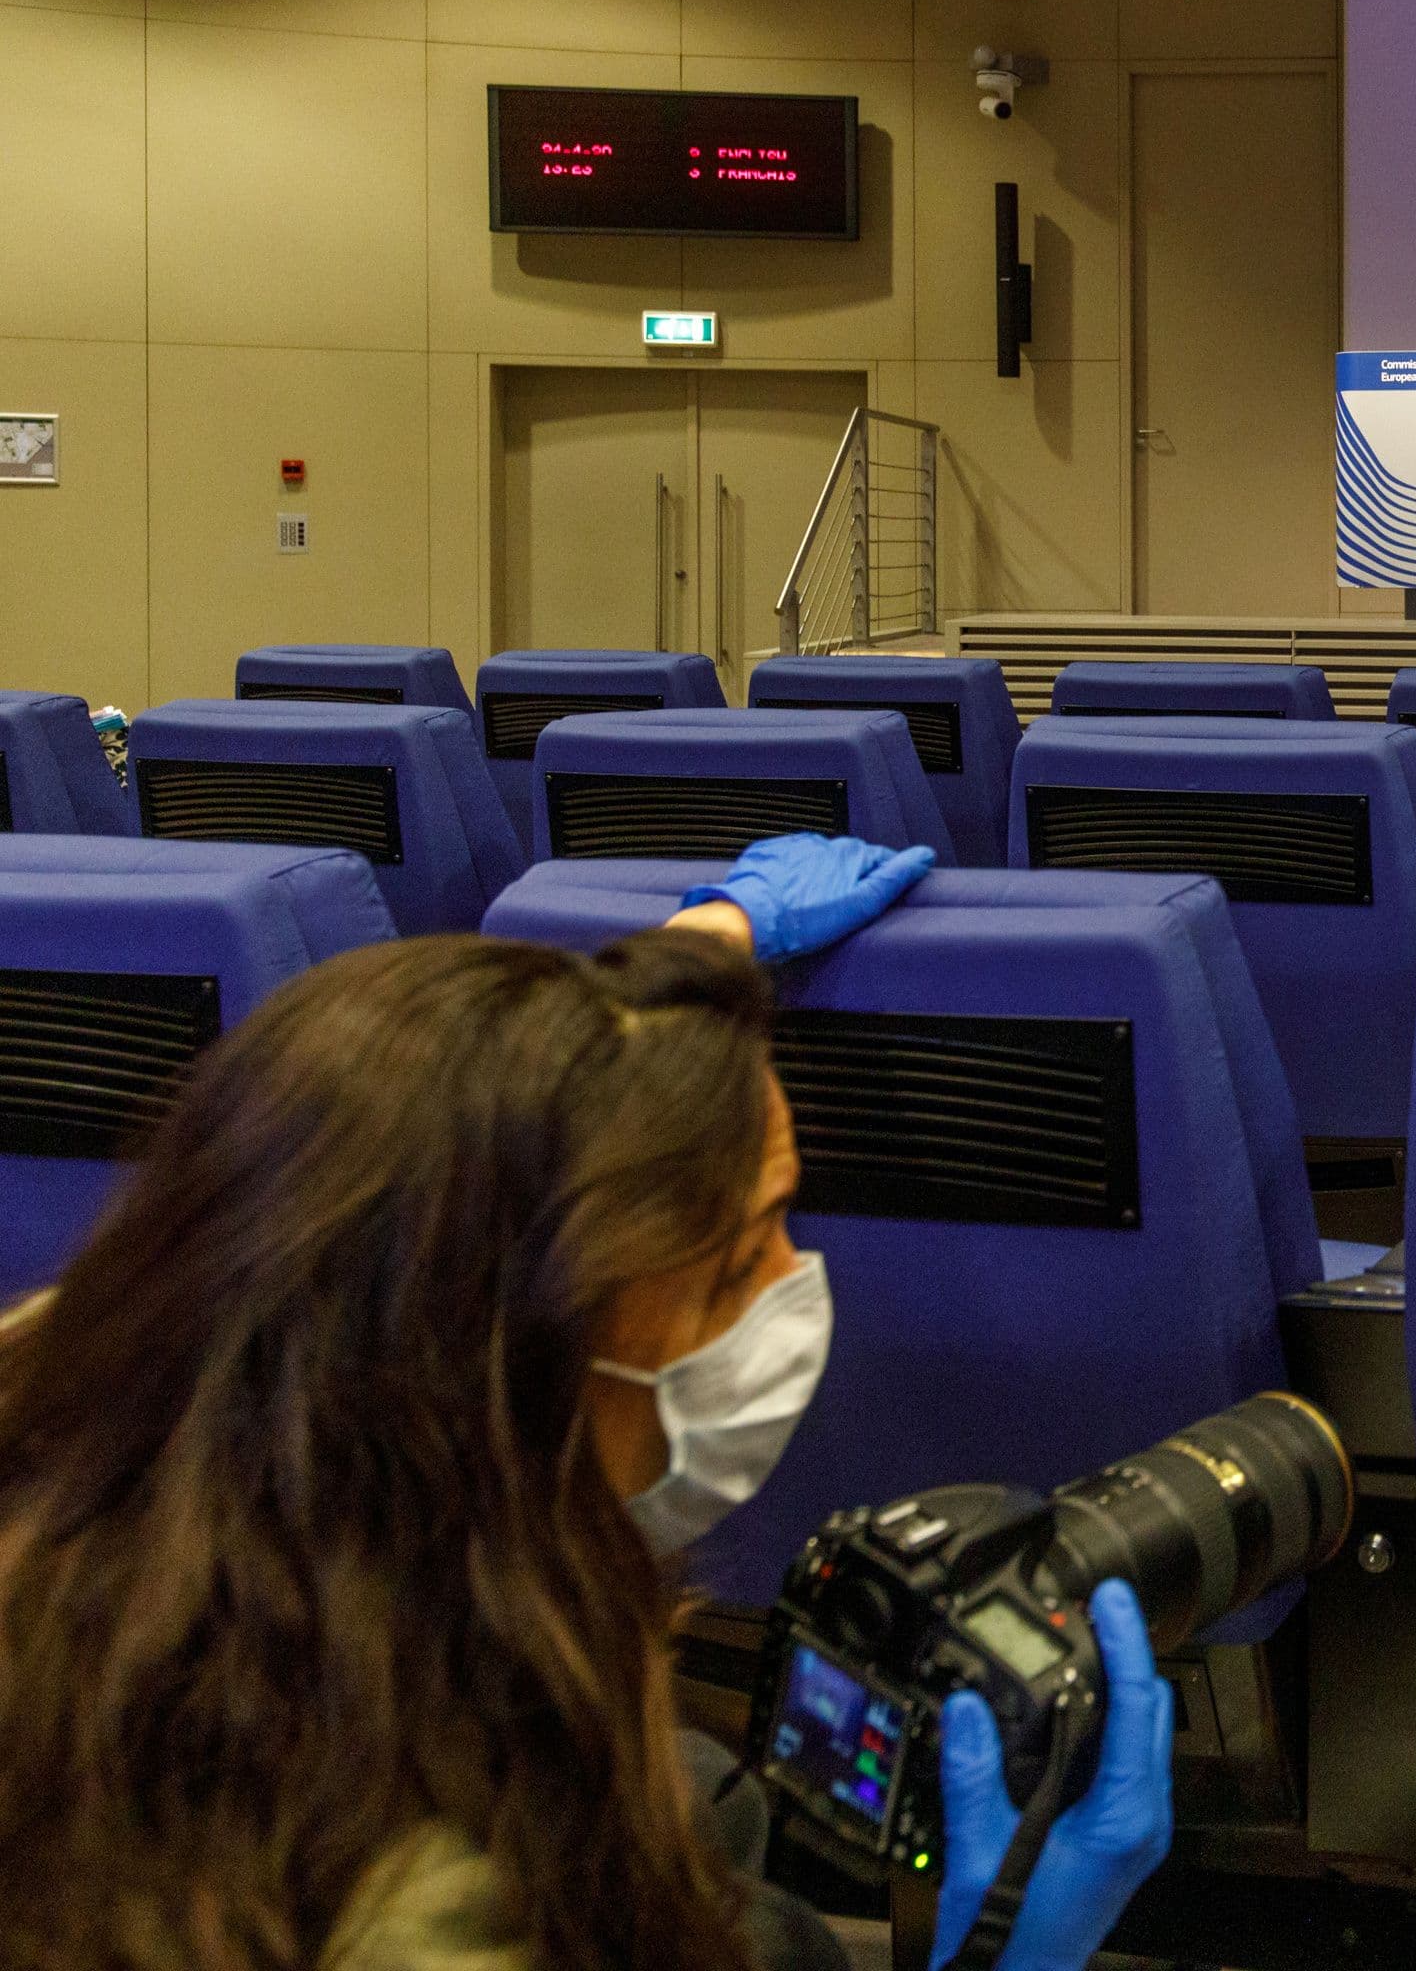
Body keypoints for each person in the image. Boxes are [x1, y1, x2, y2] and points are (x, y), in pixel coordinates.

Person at [0, 836, 1171, 1971]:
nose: (793, 1287)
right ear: (514, 1369)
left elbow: (412, 1147)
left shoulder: (126, 1396)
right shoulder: (434, 1898)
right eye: (741, 1255)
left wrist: (684, 966)